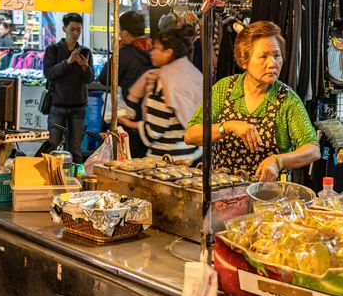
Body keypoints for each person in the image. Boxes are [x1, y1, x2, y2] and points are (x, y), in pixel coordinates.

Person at [184, 21, 320, 182]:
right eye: (263, 56)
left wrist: (278, 161)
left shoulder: (286, 100)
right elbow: (191, 135)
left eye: (277, 56)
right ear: (244, 61)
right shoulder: (224, 89)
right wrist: (228, 126)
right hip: (221, 192)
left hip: (266, 198)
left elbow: (312, 149)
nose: (272, 64)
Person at [119, 24, 203, 161]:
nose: (151, 52)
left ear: (168, 52)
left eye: (155, 48)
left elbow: (153, 130)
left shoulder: (164, 80)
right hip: (193, 154)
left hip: (167, 160)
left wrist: (127, 123)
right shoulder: (194, 74)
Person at [99, 11, 152, 157]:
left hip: (126, 119)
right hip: (151, 121)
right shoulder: (157, 51)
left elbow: (104, 78)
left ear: (126, 33)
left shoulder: (124, 54)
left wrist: (117, 50)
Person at [43, 13, 94, 164]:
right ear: (64, 29)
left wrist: (85, 67)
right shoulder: (53, 50)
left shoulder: (85, 52)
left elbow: (90, 79)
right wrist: (68, 62)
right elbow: (49, 73)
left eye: (78, 30)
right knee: (53, 147)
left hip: (79, 107)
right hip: (58, 106)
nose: (75, 33)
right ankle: (52, 179)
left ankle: (76, 181)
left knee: (75, 150)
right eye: (72, 29)